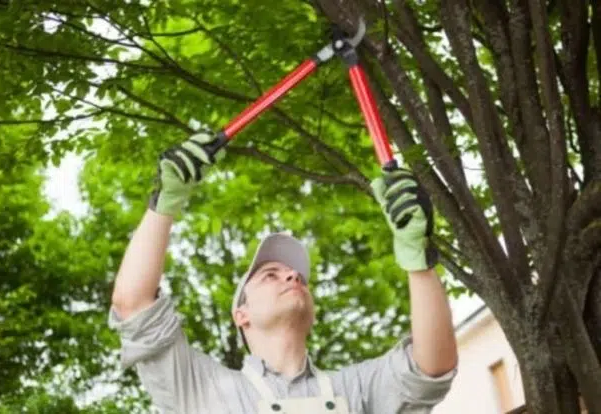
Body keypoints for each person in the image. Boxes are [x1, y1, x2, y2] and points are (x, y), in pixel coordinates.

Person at [109, 132, 458, 413]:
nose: (292, 277)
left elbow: (432, 367)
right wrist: (164, 203)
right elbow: (133, 305)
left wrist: (417, 258)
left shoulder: (356, 389)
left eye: (298, 277)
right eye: (270, 275)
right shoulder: (203, 390)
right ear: (240, 314)